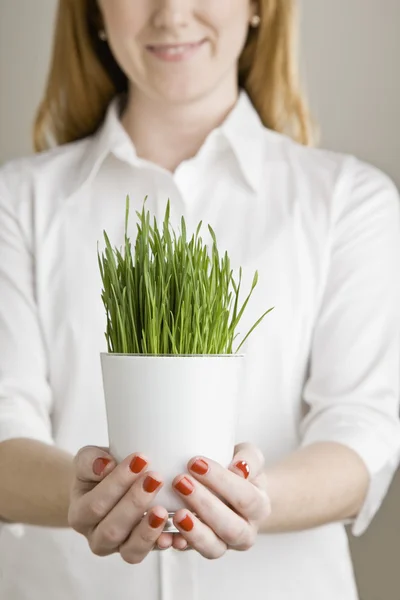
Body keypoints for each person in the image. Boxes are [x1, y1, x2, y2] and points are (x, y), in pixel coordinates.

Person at [0, 0, 399, 599]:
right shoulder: (17, 204)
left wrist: (250, 501)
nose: (173, 12)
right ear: (94, 13)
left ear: (260, 8)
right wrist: (85, 490)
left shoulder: (348, 200)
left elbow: (363, 428)